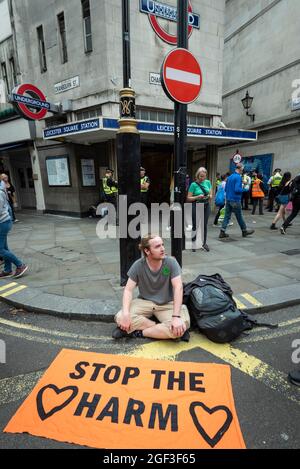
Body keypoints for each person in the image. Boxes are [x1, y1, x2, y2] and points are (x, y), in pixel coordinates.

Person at [112, 234, 190, 340]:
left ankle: (138, 332)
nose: (162, 249)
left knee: (182, 325)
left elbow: (178, 288)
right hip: (145, 301)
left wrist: (176, 317)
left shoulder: (171, 262)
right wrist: (126, 314)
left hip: (168, 303)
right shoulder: (138, 265)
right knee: (120, 317)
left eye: (162, 245)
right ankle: (160, 328)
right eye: (157, 246)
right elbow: (128, 290)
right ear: (147, 251)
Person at [219, 163, 254, 239]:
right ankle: (244, 231)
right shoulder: (238, 177)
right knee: (239, 217)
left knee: (227, 216)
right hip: (235, 200)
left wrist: (241, 183)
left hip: (228, 199)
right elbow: (237, 189)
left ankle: (222, 232)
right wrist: (245, 189)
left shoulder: (230, 177)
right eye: (243, 169)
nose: (243, 171)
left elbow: (226, 189)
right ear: (240, 168)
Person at [0, 182, 28, 278]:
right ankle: (7, 270)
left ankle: (20, 265)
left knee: (0, 250)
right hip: (3, 222)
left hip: (2, 223)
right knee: (4, 248)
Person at [187, 167, 212, 252]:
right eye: (201, 176)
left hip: (206, 205)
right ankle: (193, 243)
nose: (202, 178)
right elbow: (188, 198)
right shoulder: (193, 185)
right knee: (195, 225)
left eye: (204, 176)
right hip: (196, 205)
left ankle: (204, 243)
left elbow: (211, 194)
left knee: (204, 225)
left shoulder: (208, 182)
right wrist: (197, 196)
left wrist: (209, 196)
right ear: (197, 175)